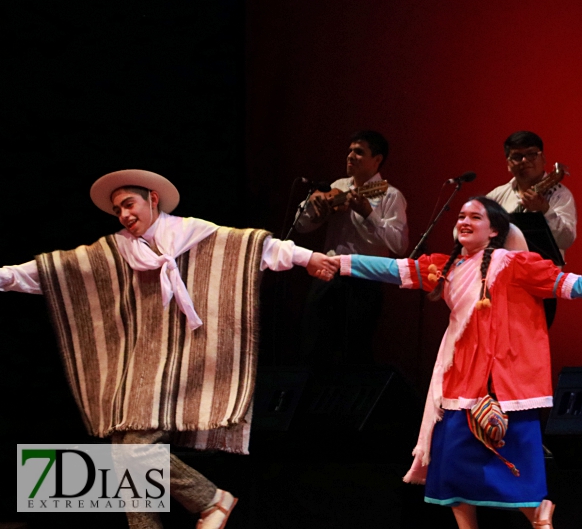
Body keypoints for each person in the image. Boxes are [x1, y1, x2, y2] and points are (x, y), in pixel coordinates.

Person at [0, 169, 337, 529]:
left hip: (188, 359)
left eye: (129, 204)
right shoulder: (118, 250)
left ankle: (212, 498)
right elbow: (58, 272)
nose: (125, 215)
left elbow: (251, 247)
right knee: (123, 452)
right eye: (118, 210)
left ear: (152, 199)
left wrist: (307, 257)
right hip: (141, 366)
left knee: (134, 450)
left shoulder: (192, 234)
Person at [333, 196, 582, 529]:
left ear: (494, 231)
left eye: (475, 217)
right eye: (461, 216)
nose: (464, 221)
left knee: (512, 469)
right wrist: (338, 263)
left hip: (499, 384)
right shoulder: (446, 266)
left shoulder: (513, 264)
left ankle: (538, 517)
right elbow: (392, 269)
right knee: (452, 470)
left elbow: (569, 284)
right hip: (457, 381)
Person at [295, 130, 408, 366]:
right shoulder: (336, 187)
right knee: (313, 348)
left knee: (354, 354)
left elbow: (400, 245)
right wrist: (313, 210)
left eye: (359, 152)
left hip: (363, 280)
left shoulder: (390, 195)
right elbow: (301, 227)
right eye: (349, 151)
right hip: (328, 274)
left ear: (377, 160)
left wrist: (368, 213)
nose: (350, 156)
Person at [486, 131, 576, 327]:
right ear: (508, 163)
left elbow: (567, 239)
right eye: (517, 156)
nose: (525, 161)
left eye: (531, 154)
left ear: (543, 158)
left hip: (540, 286)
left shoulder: (559, 195)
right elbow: (465, 229)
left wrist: (544, 209)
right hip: (502, 285)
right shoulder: (497, 195)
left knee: (532, 350)